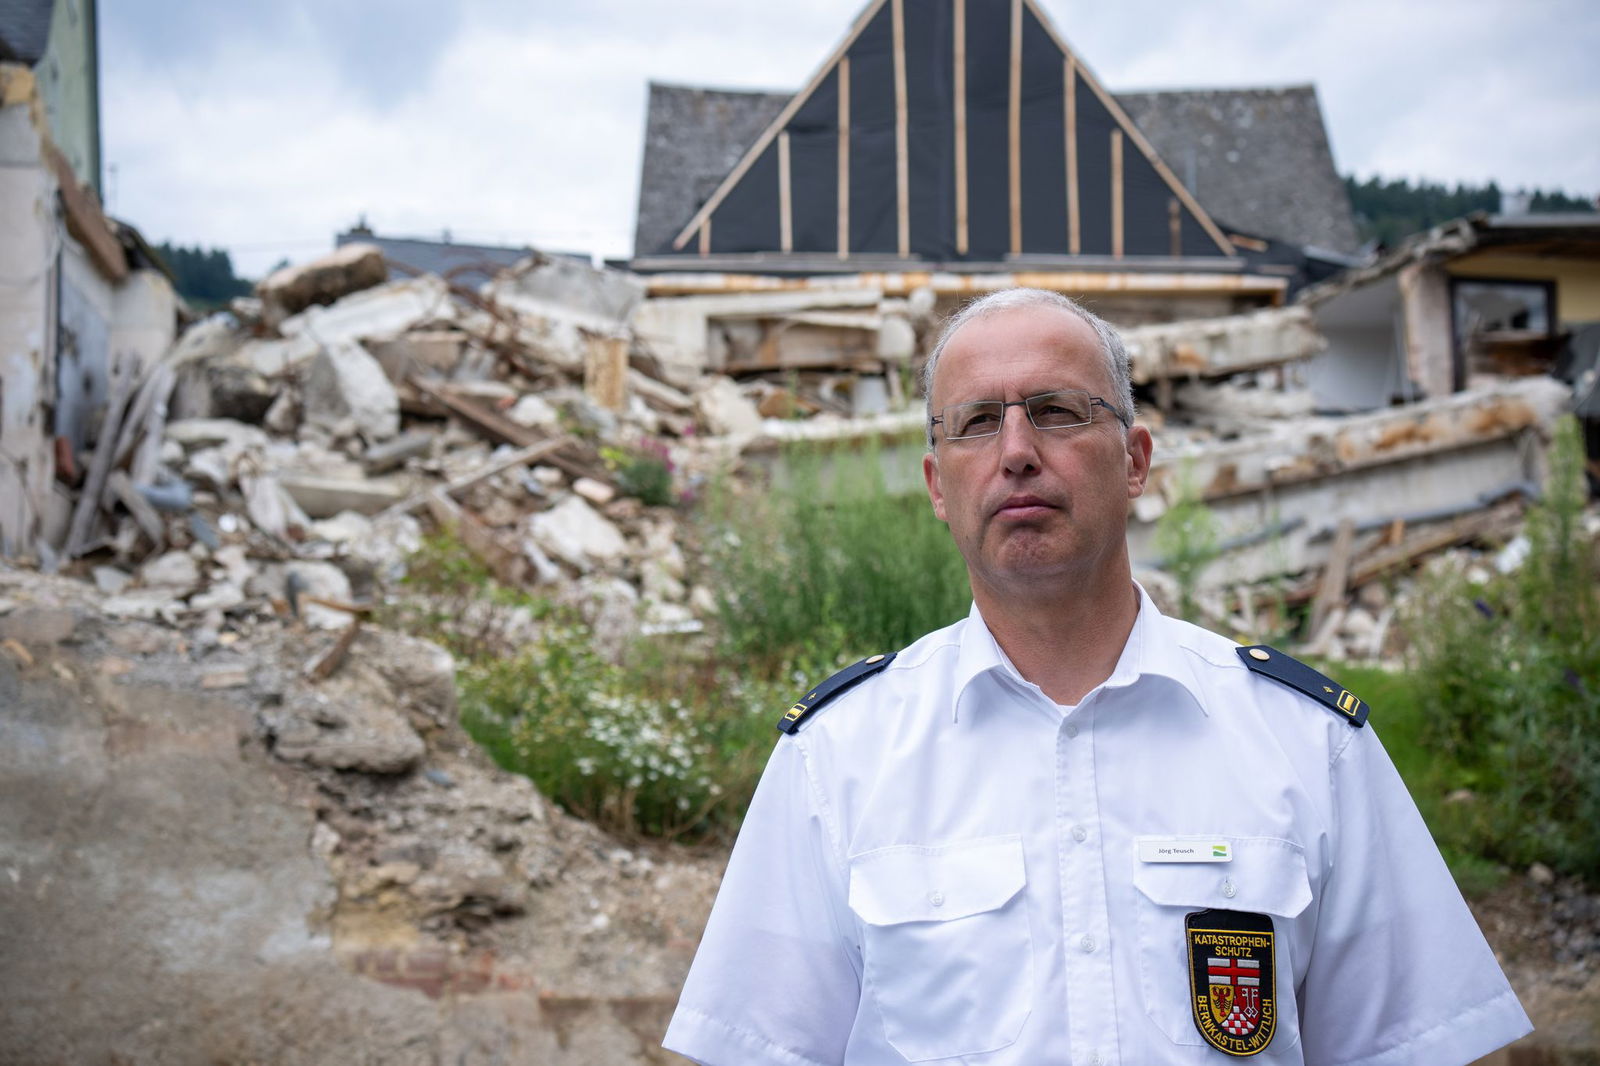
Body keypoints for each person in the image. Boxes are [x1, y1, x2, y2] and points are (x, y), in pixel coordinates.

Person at [663, 289, 1531, 1065]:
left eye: (1056, 410)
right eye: (975, 422)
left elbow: (1414, 1040)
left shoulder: (1307, 744)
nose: (1016, 452)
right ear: (937, 483)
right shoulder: (838, 759)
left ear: (1136, 460)